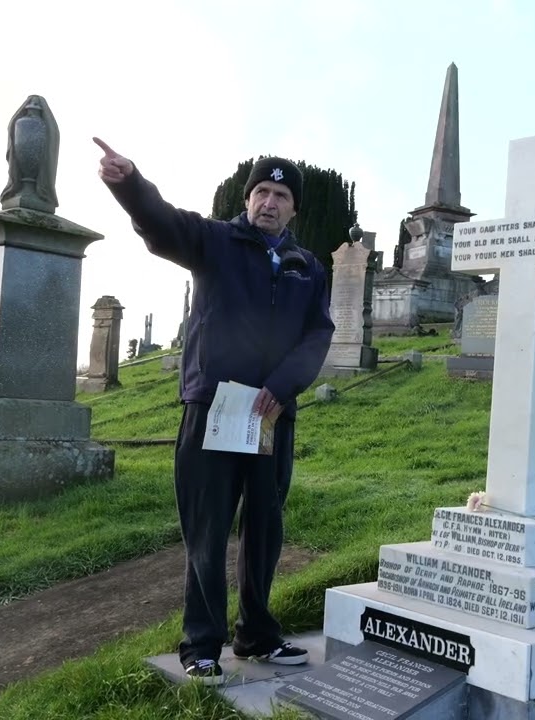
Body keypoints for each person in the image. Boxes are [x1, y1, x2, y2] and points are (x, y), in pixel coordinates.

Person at [94, 137, 334, 686]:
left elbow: (319, 333)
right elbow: (162, 225)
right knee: (207, 527)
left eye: (280, 195)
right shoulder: (215, 241)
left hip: (271, 414)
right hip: (214, 409)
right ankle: (202, 643)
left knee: (266, 526)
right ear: (247, 199)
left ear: (294, 207)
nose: (268, 202)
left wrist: (283, 385)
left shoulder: (307, 266)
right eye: (261, 192)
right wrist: (130, 184)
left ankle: (257, 634)